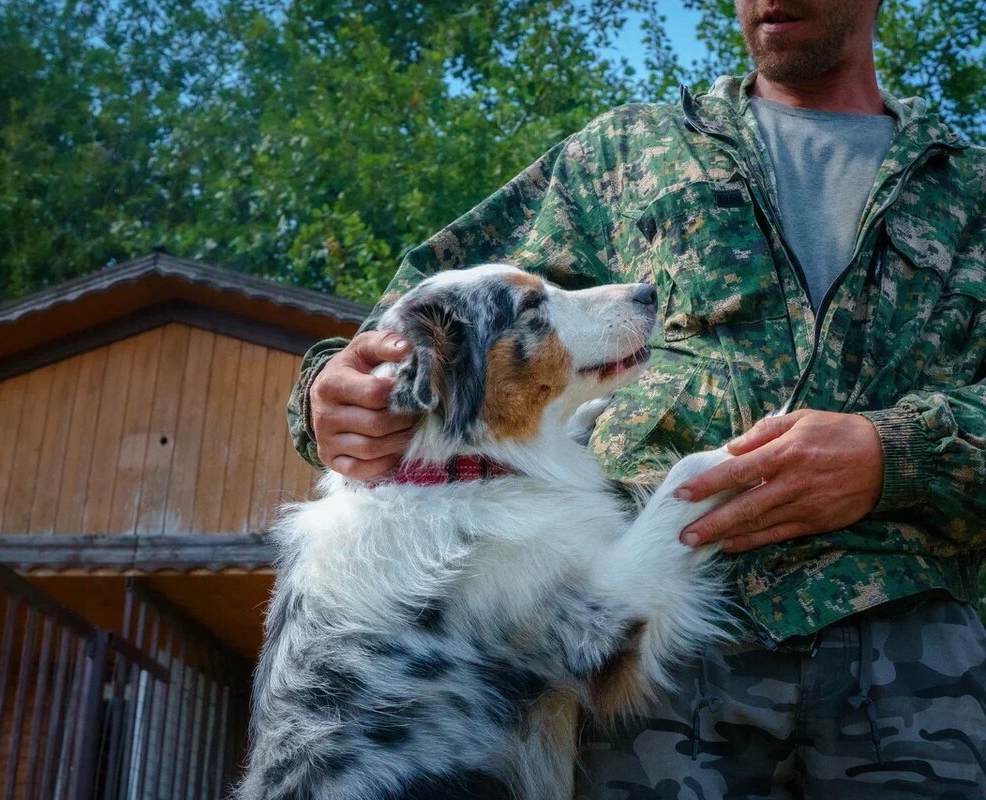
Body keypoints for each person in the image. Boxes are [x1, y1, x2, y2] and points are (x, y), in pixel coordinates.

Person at [285, 0, 986, 795]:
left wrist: (895, 455)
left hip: (911, 660)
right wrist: (325, 394)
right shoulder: (630, 151)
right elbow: (426, 315)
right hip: (646, 665)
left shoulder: (969, 189)